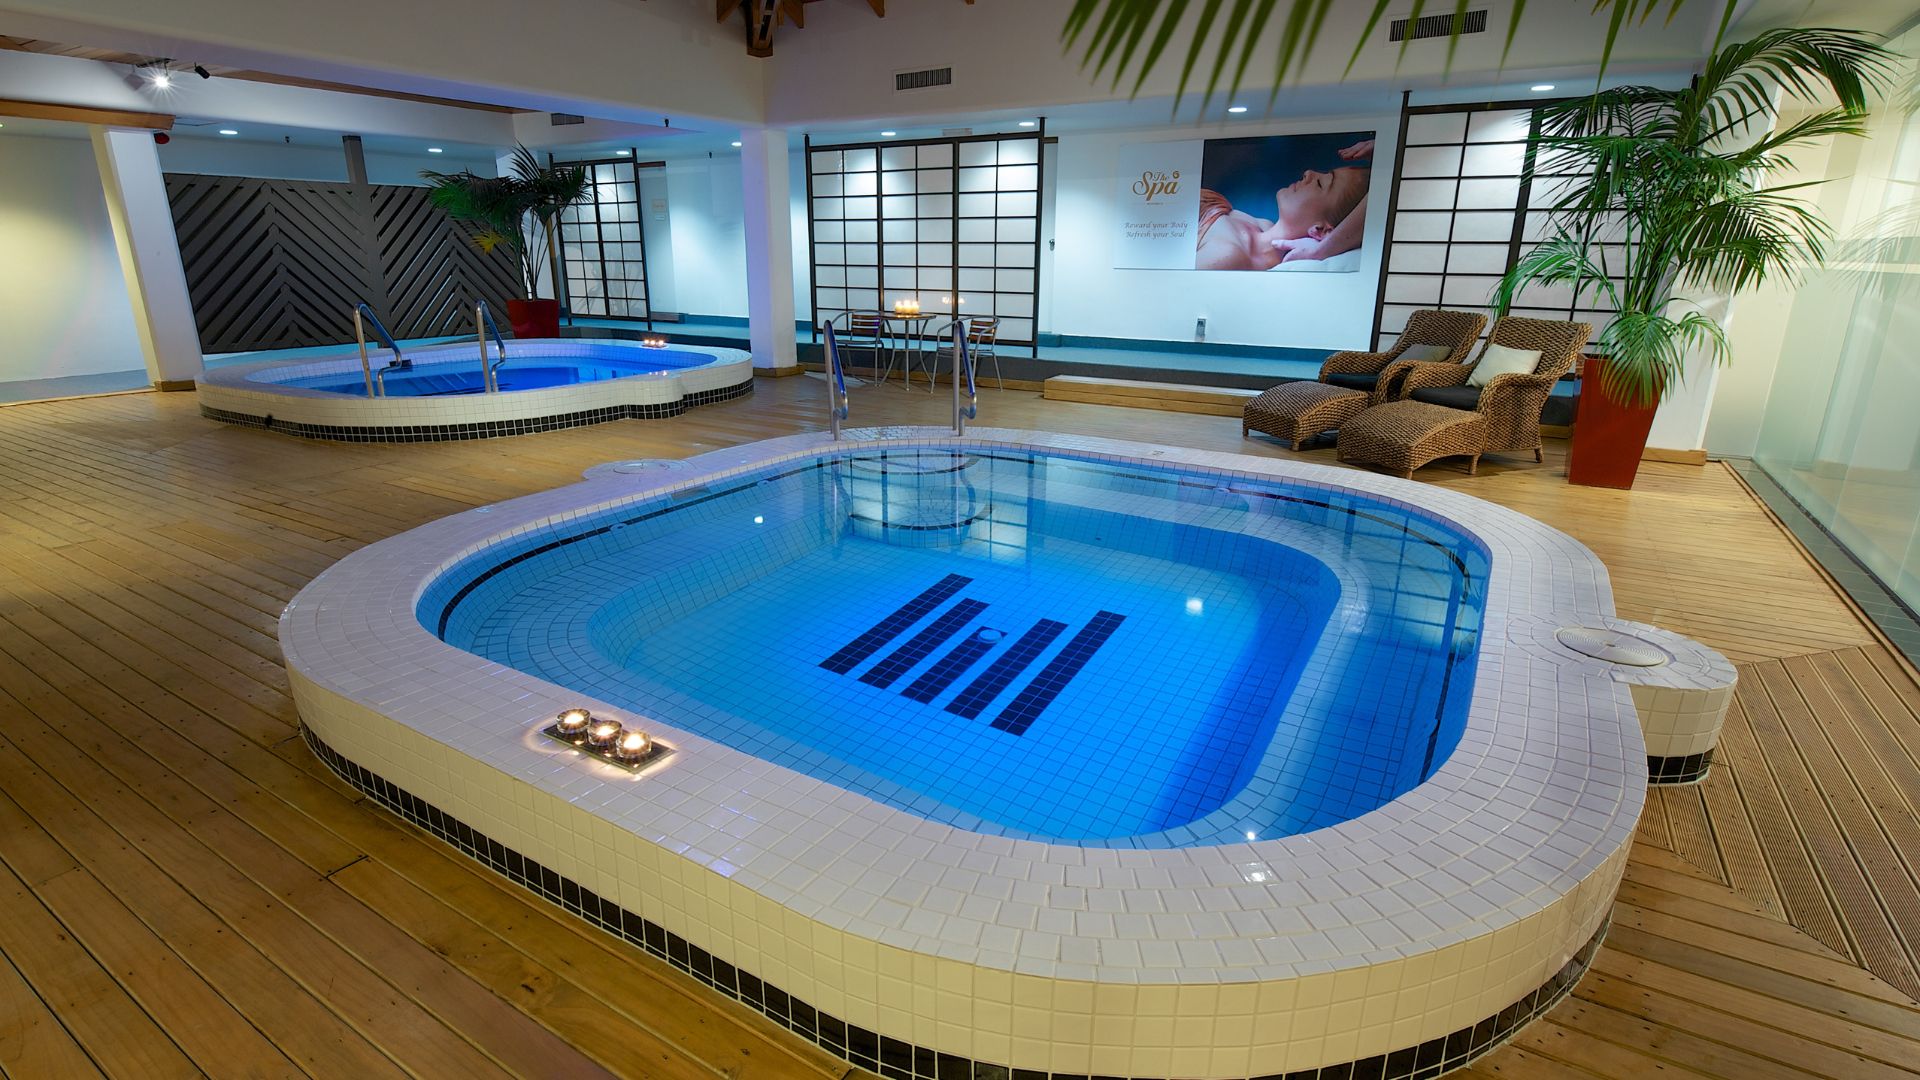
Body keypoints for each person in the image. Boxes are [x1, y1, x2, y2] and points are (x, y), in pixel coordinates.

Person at [1194, 139, 1373, 271]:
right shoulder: (1261, 226)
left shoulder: (1228, 255)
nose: (1308, 173)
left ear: (1320, 230)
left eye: (1320, 184)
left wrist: (1323, 250)